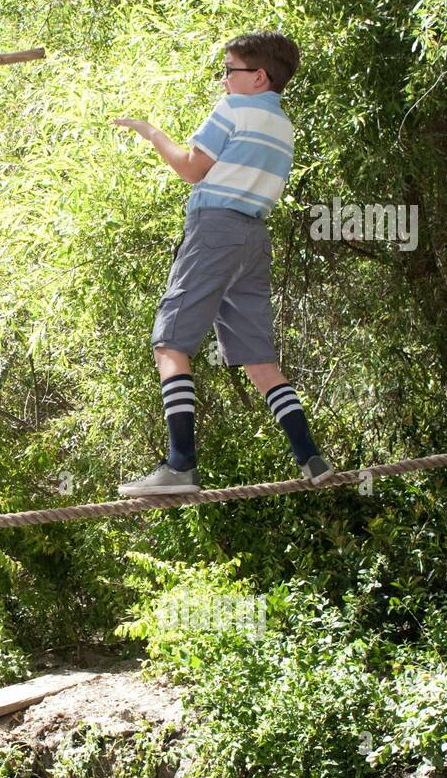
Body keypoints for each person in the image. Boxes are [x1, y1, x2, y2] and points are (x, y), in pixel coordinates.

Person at [114, 31, 335, 496]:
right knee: (258, 359)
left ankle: (180, 466)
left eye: (229, 71)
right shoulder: (284, 126)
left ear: (258, 77)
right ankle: (310, 457)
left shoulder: (234, 109)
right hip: (254, 238)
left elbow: (192, 169)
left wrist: (152, 133)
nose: (223, 81)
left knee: (170, 343)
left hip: (214, 231)